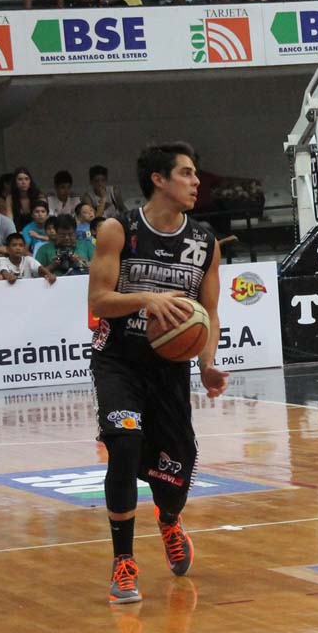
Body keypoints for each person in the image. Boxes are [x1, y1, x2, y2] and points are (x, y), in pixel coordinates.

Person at [88, 141, 229, 605]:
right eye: (186, 173)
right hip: (119, 360)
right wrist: (147, 299)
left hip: (169, 369)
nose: (196, 181)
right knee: (124, 444)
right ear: (159, 179)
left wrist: (206, 363)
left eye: (195, 174)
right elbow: (99, 301)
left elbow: (209, 312)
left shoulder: (204, 242)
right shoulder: (119, 230)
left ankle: (169, 519)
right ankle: (123, 563)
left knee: (176, 469)